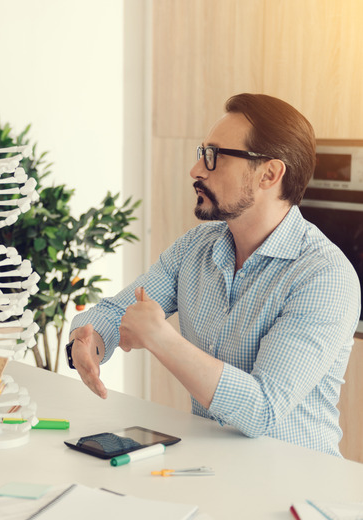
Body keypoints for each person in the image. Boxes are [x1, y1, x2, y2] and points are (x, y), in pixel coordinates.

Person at [67, 93, 360, 457]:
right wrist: (89, 343)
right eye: (201, 153)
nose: (196, 170)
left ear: (269, 173)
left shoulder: (324, 277)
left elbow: (262, 410)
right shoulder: (197, 246)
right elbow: (115, 313)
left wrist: (161, 338)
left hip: (294, 488)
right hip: (212, 465)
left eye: (215, 157)